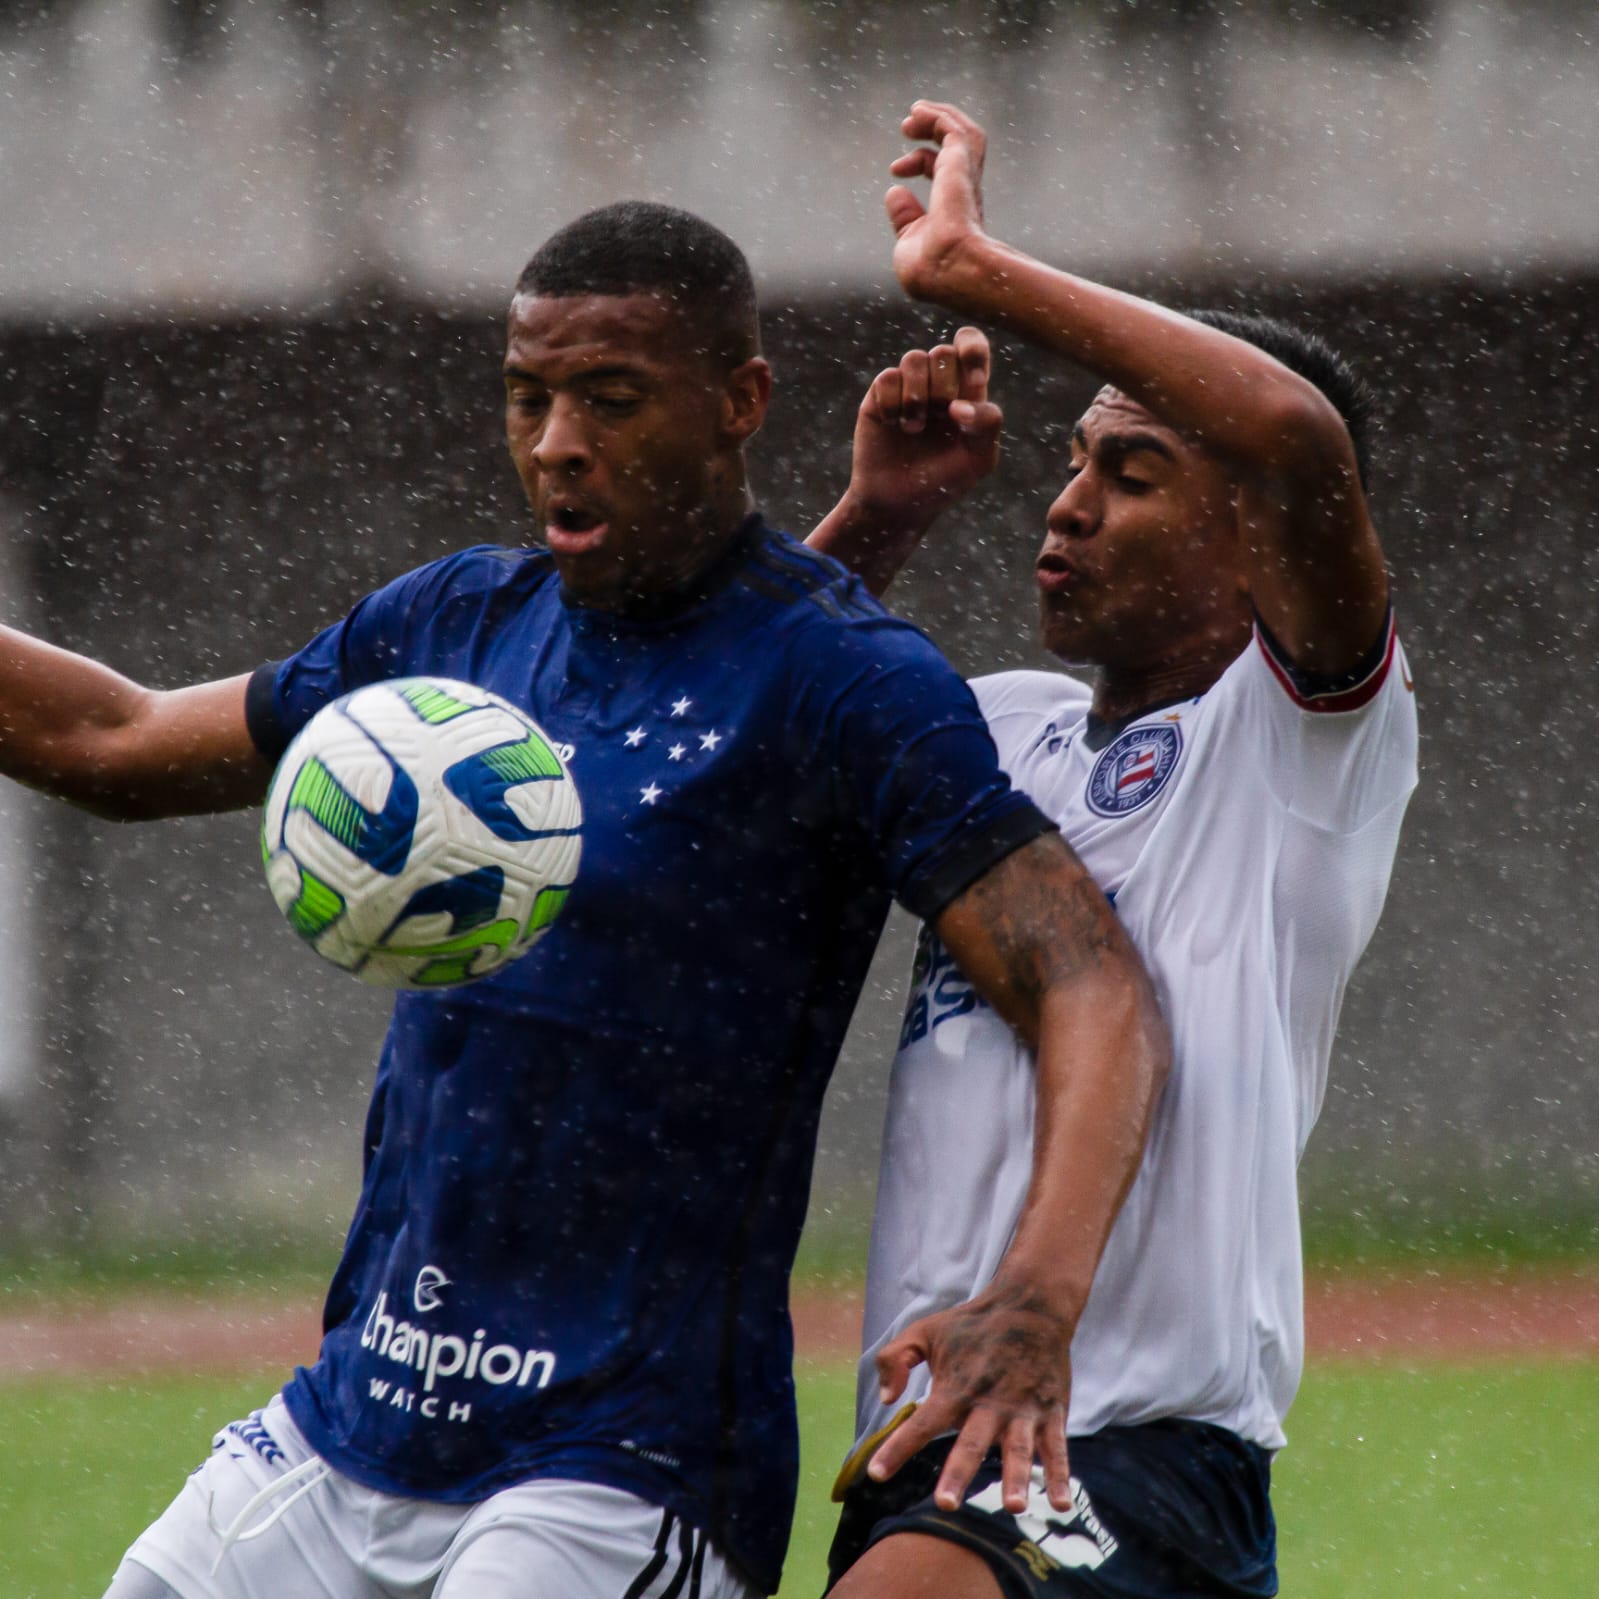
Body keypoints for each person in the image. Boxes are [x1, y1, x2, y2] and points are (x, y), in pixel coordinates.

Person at [0, 201, 1168, 1599]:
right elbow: (115, 745)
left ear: (739, 404)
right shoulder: (454, 628)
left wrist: (1036, 1305)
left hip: (619, 1461)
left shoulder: (846, 680)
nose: (557, 440)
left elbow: (1089, 983)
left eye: (611, 398)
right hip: (353, 1422)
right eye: (529, 396)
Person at [810, 102, 1419, 1599]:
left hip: (1132, 1441)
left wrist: (971, 269)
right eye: (1073, 464)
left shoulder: (1301, 746)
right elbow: (747, 720)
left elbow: (1292, 436)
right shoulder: (994, 728)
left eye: (1134, 475)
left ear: (1254, 536)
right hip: (929, 1427)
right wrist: (874, 524)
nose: (1065, 508)